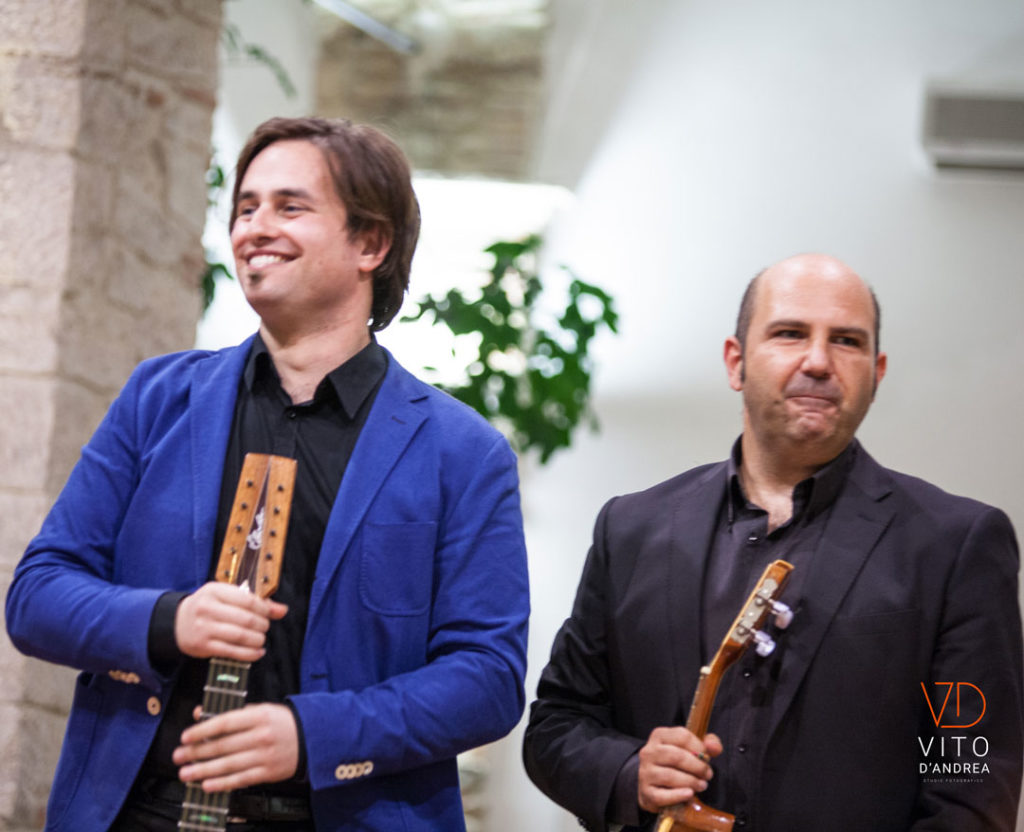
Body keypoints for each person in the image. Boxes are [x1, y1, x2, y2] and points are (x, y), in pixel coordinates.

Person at [6, 116, 530, 832]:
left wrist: (312, 735)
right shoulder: (158, 398)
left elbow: (488, 681)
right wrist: (170, 619)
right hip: (138, 811)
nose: (255, 227)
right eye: (246, 208)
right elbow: (37, 595)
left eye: (290, 206)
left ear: (370, 244)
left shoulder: (462, 451)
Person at [523, 253, 1023, 831]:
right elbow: (557, 724)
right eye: (789, 334)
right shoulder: (631, 528)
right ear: (736, 362)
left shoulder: (955, 546)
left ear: (877, 372)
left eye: (847, 341)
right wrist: (626, 770)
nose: (818, 361)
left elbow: (969, 782)